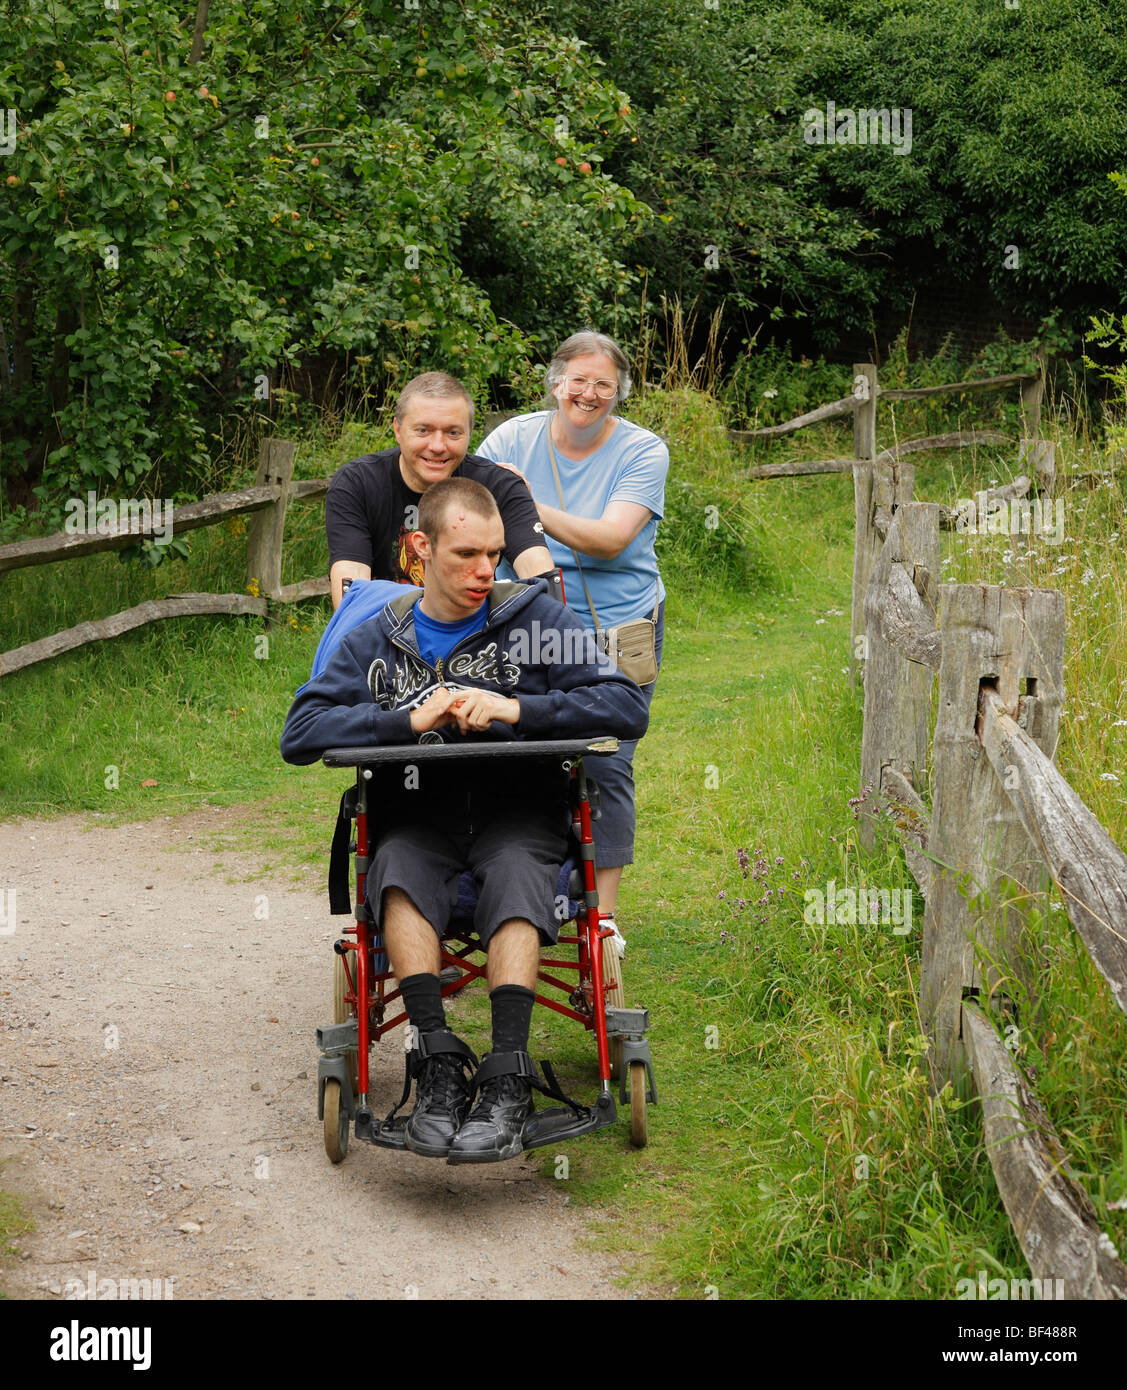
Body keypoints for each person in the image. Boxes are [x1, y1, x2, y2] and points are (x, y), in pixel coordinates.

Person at [281, 478, 648, 1163]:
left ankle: (508, 1074)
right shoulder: (374, 641)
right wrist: (403, 721)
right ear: (421, 549)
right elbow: (300, 732)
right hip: (417, 816)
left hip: (520, 815)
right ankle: (441, 1065)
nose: (486, 572)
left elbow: (627, 708)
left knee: (516, 875)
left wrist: (518, 710)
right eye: (467, 555)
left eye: (496, 554)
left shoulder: (538, 624)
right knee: (394, 870)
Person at [476, 331, 668, 947]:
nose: (587, 393)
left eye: (602, 385)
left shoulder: (644, 451)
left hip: (620, 623)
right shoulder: (510, 438)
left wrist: (522, 502)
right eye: (576, 379)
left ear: (619, 393)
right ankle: (507, 895)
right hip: (523, 618)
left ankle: (600, 922)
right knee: (511, 744)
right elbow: (471, 514)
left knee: (607, 757)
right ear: (555, 380)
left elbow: (612, 539)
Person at [324, 370, 554, 608]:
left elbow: (540, 574)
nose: (437, 446)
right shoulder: (358, 484)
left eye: (453, 433)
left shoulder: (500, 486)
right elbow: (350, 593)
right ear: (398, 430)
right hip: (383, 630)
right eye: (423, 430)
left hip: (479, 633)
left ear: (469, 434)